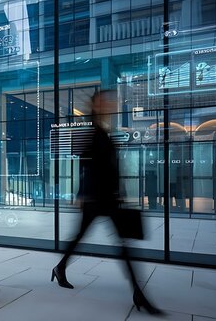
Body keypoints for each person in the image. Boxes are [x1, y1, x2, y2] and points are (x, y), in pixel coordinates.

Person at [51, 90, 162, 315]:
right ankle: (61, 267)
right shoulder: (92, 131)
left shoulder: (104, 130)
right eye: (104, 102)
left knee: (120, 245)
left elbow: (108, 167)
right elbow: (84, 165)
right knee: (95, 240)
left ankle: (61, 267)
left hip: (107, 198)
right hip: (94, 198)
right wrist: (81, 195)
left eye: (110, 102)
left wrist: (119, 192)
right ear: (95, 105)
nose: (109, 105)